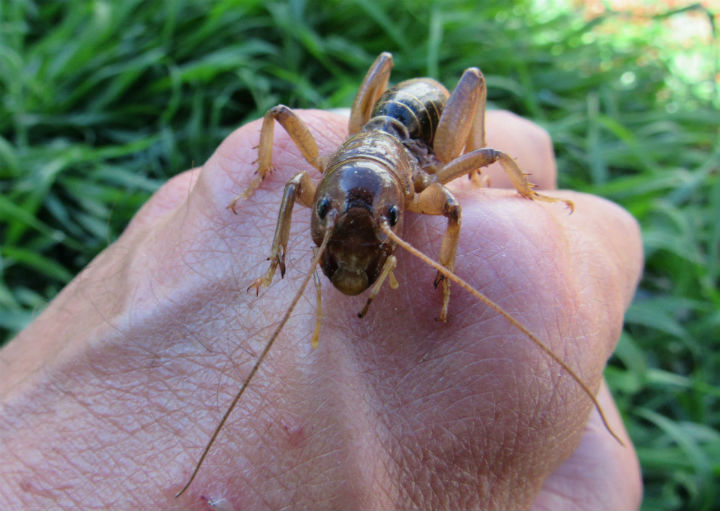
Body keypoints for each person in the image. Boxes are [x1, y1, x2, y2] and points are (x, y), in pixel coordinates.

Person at [0, 109, 643, 509]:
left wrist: (441, 283)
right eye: (329, 217)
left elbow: (454, 203)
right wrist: (273, 255)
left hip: (415, 137)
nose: (355, 236)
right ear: (324, 192)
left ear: (399, 209)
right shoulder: (313, 185)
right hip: (371, 144)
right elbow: (290, 190)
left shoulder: (421, 194)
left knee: (472, 174)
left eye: (389, 224)